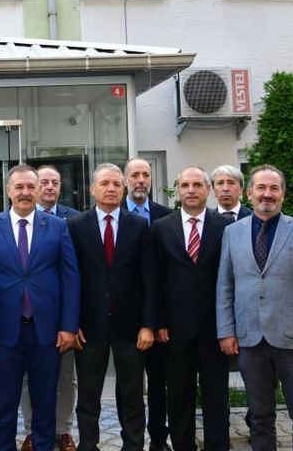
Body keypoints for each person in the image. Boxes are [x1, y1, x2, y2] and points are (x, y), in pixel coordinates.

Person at [215, 165, 293, 451]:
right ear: (249, 193)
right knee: (260, 417)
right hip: (250, 339)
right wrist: (226, 331)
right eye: (261, 188)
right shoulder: (232, 233)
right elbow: (225, 286)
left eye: (274, 188)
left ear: (282, 194)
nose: (267, 194)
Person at [0, 165, 80, 451]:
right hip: (2, 334)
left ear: (38, 190)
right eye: (19, 187)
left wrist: (68, 326)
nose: (25, 192)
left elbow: (70, 278)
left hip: (47, 332)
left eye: (31, 187)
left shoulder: (57, 226)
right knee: (3, 405)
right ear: (8, 190)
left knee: (45, 402)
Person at [66, 163, 154, 451]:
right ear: (93, 189)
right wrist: (71, 323)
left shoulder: (138, 225)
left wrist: (147, 324)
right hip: (89, 327)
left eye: (117, 184)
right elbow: (70, 278)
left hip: (131, 327)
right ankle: (88, 445)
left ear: (124, 189)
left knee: (132, 395)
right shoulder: (76, 226)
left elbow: (148, 279)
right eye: (105, 184)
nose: (111, 189)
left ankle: (133, 446)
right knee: (88, 396)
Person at [153, 166, 230, 451]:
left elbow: (231, 277)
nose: (191, 190)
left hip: (215, 326)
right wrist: (159, 321)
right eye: (185, 185)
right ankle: (183, 445)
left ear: (208, 189)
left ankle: (218, 445)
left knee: (216, 393)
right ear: (178, 190)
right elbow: (155, 278)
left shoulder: (225, 226)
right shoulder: (161, 227)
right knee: (179, 393)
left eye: (197, 184)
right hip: (175, 329)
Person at [19, 166, 79, 451]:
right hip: (25, 318)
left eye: (55, 182)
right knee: (29, 379)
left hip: (58, 319)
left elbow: (72, 273)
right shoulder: (14, 220)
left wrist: (71, 321)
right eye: (44, 182)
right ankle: (32, 430)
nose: (50, 187)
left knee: (66, 378)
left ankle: (63, 430)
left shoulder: (73, 220)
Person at [123, 158, 171, 451]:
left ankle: (158, 439)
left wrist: (159, 319)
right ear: (126, 180)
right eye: (135, 175)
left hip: (159, 315)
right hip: (124, 316)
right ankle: (131, 441)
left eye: (146, 175)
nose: (141, 180)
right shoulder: (112, 214)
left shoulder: (166, 217)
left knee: (158, 383)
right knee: (128, 385)